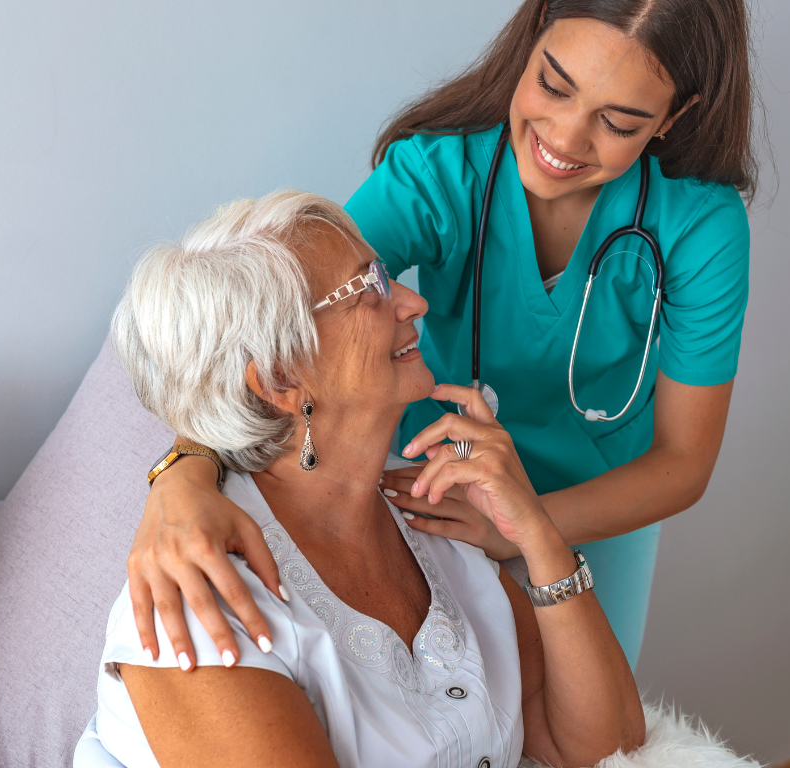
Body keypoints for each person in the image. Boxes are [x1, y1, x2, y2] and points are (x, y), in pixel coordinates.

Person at [130, 0, 756, 670]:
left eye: (619, 122)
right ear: (534, 33)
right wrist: (183, 474)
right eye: (554, 84)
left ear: (674, 115)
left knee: (592, 733)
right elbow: (281, 324)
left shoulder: (700, 228)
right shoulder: (437, 177)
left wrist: (521, 528)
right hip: (431, 491)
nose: (568, 137)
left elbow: (684, 462)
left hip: (596, 512)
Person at [75, 190, 644, 768]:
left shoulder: (431, 505)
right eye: (367, 288)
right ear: (279, 378)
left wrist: (539, 536)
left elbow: (605, 748)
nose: (414, 303)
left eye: (387, 276)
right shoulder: (200, 603)